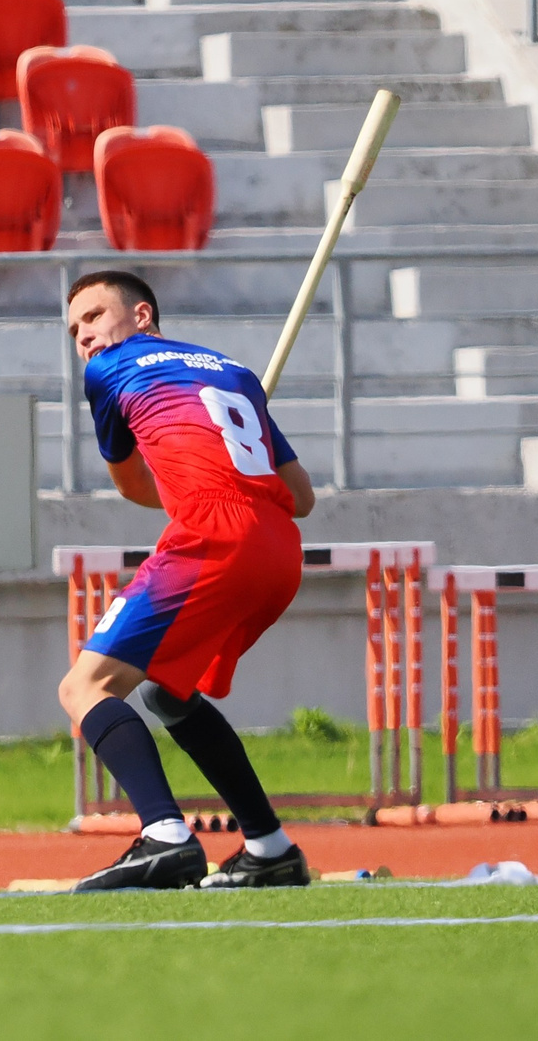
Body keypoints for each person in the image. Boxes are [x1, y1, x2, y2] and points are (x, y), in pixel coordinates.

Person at [59, 269, 317, 891]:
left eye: (93, 317)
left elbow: (129, 484)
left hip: (214, 535)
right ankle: (269, 847)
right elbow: (302, 497)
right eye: (73, 330)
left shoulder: (109, 372)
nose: (85, 338)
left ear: (142, 316)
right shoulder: (235, 374)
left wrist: (193, 491)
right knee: (169, 694)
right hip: (279, 548)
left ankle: (165, 836)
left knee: (85, 688)